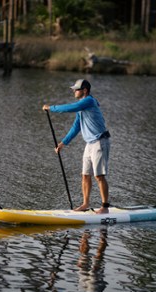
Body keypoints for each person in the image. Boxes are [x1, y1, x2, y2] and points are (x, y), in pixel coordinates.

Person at [42, 79, 111, 214]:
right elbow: (76, 126)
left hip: (100, 141)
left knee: (99, 176)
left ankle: (105, 207)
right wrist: (63, 143)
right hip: (90, 143)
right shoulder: (82, 107)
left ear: (84, 91)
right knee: (85, 175)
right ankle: (85, 204)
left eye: (77, 89)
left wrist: (51, 108)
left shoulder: (89, 101)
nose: (74, 91)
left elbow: (70, 108)